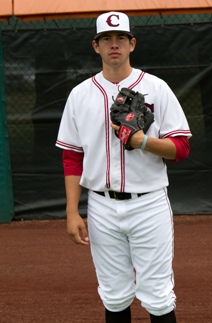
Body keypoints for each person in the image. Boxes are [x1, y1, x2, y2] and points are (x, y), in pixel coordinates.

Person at [56, 11, 192, 323]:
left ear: (132, 44)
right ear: (96, 46)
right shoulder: (79, 95)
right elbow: (71, 156)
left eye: (120, 38)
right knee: (114, 296)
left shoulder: (156, 88)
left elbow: (181, 148)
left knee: (158, 297)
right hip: (102, 207)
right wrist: (72, 211)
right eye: (106, 39)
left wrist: (142, 141)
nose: (113, 44)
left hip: (149, 204)